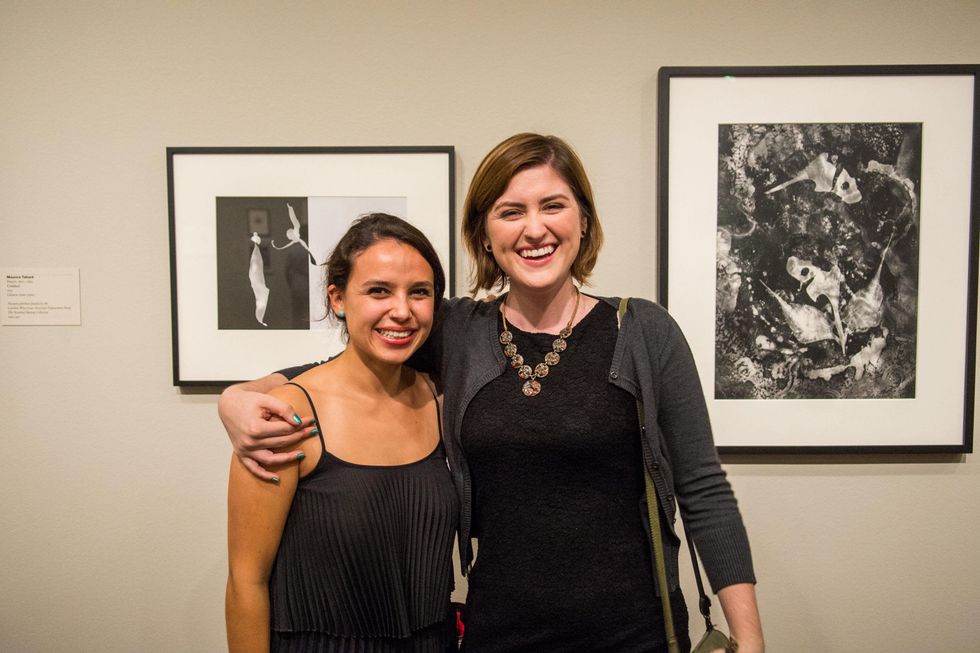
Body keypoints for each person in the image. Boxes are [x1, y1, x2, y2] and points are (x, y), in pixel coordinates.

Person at [220, 134, 764, 652]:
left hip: (635, 636)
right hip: (497, 635)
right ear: (484, 233)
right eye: (511, 212)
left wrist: (749, 637)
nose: (534, 229)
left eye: (553, 206)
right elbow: (341, 366)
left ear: (583, 220)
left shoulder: (642, 331)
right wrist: (239, 397)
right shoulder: (457, 331)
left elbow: (703, 488)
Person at [225, 213, 458, 652]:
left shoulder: (441, 399)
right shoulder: (285, 416)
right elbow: (246, 582)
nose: (402, 311)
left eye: (419, 292)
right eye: (379, 291)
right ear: (338, 299)